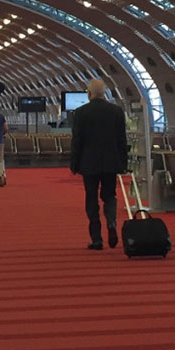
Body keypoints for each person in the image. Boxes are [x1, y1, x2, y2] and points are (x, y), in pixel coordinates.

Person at [69, 79, 128, 250]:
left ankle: (96, 238)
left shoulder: (81, 112)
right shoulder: (117, 111)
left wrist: (74, 164)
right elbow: (121, 140)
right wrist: (122, 163)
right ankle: (111, 224)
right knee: (110, 195)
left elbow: (77, 141)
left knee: (91, 197)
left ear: (89, 94)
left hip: (89, 162)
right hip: (111, 161)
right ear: (104, 93)